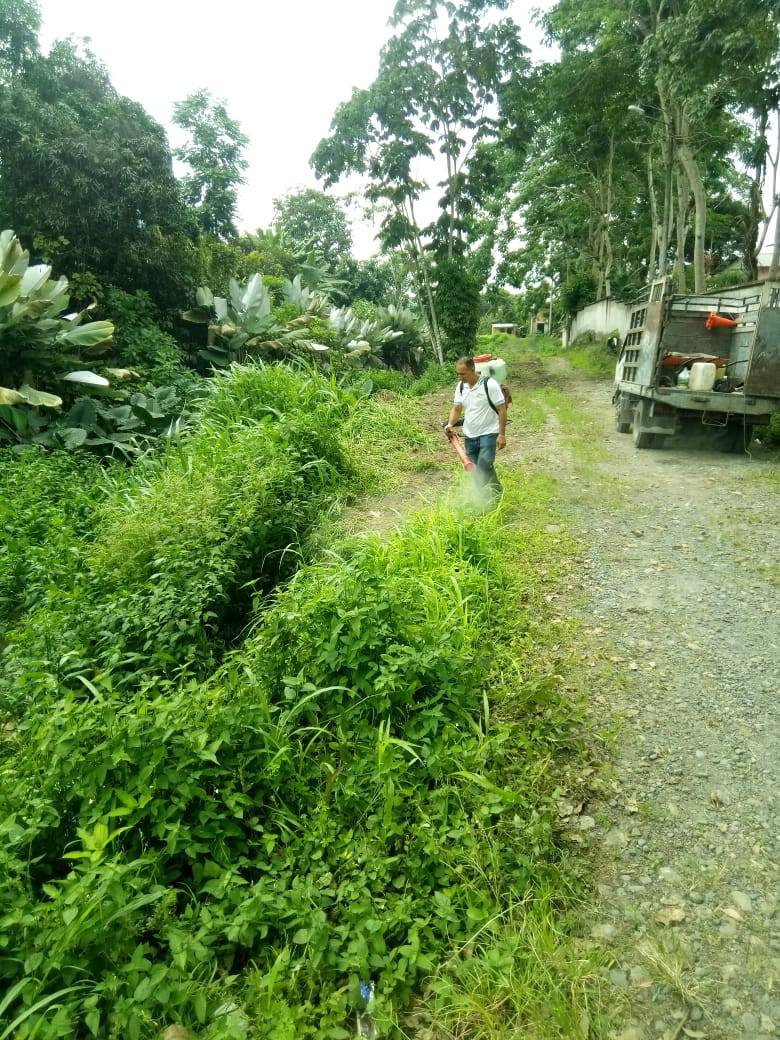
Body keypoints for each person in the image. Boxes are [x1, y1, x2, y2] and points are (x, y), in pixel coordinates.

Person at [444, 356, 506, 495]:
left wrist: (502, 434)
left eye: (463, 374)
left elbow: (502, 409)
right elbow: (457, 409)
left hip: (489, 432)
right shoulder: (461, 387)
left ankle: (482, 496)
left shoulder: (489, 384)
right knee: (475, 468)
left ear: (473, 369)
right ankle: (494, 493)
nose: (460, 377)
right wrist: (450, 424)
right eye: (458, 374)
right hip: (470, 434)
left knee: (484, 463)